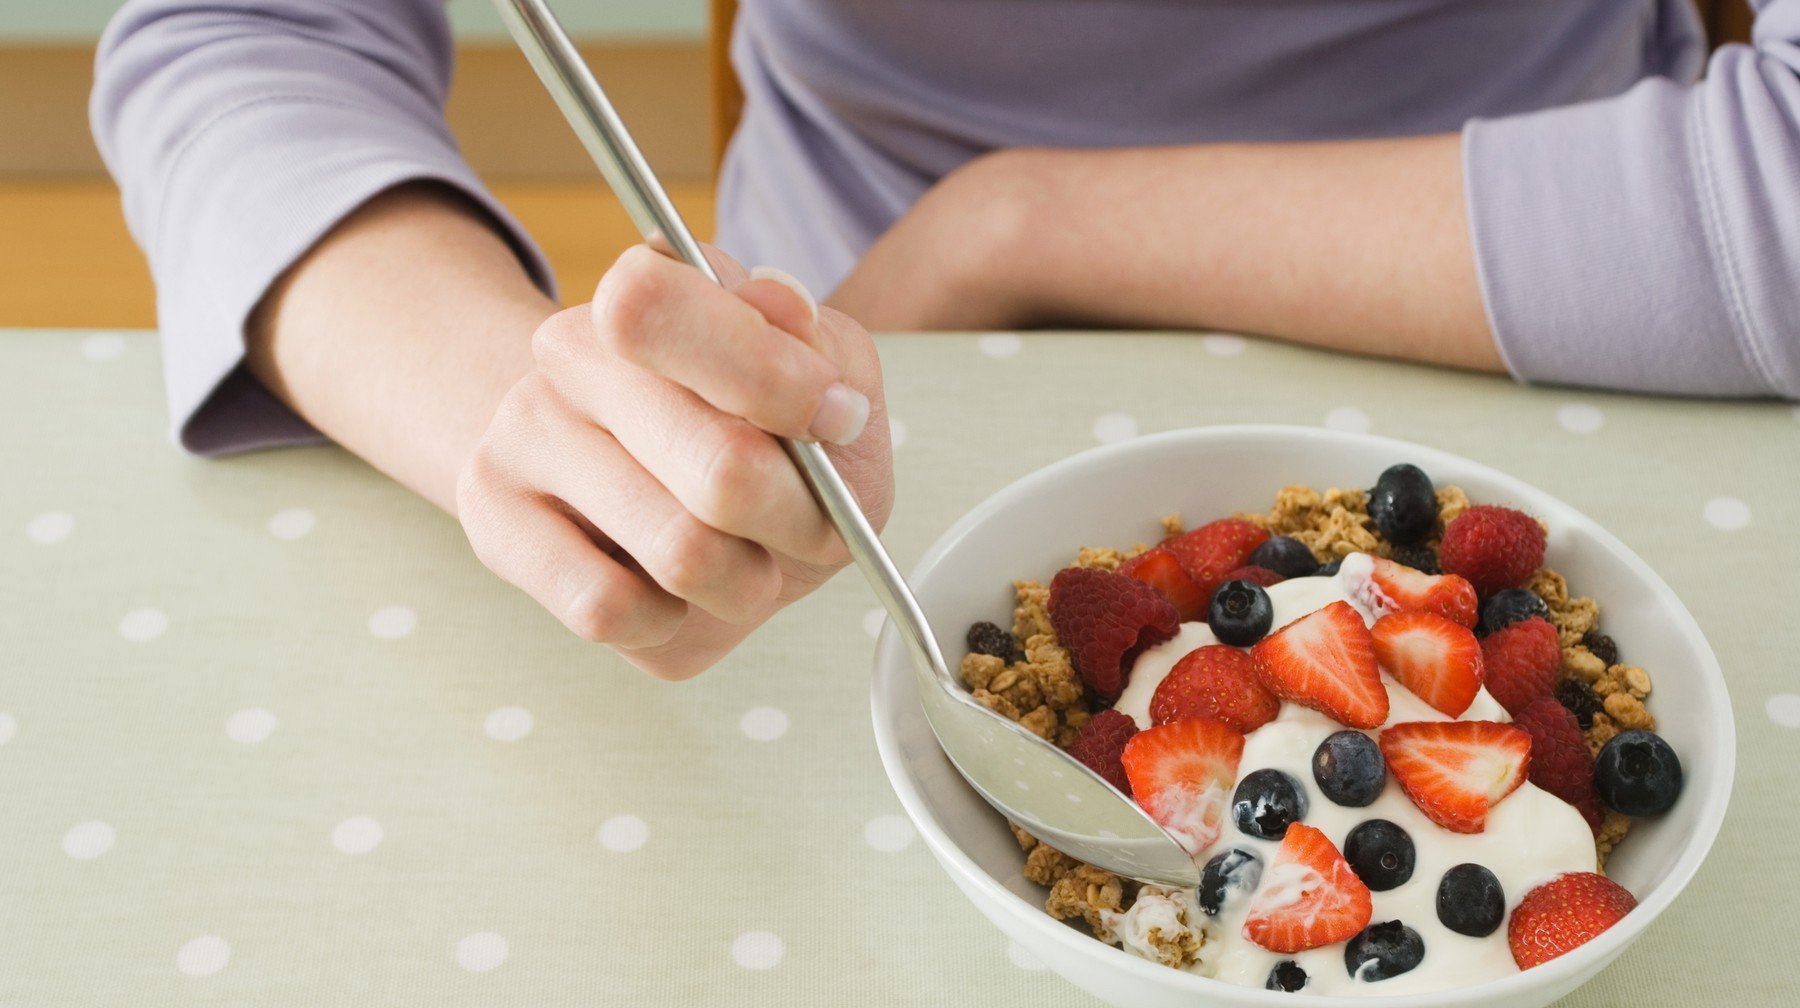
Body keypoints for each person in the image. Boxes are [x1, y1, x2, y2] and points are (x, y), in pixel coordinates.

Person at [92, 0, 1799, 679]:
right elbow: (237, 37)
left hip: (1564, 312)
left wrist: (1021, 224)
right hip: (831, 426)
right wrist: (526, 412)